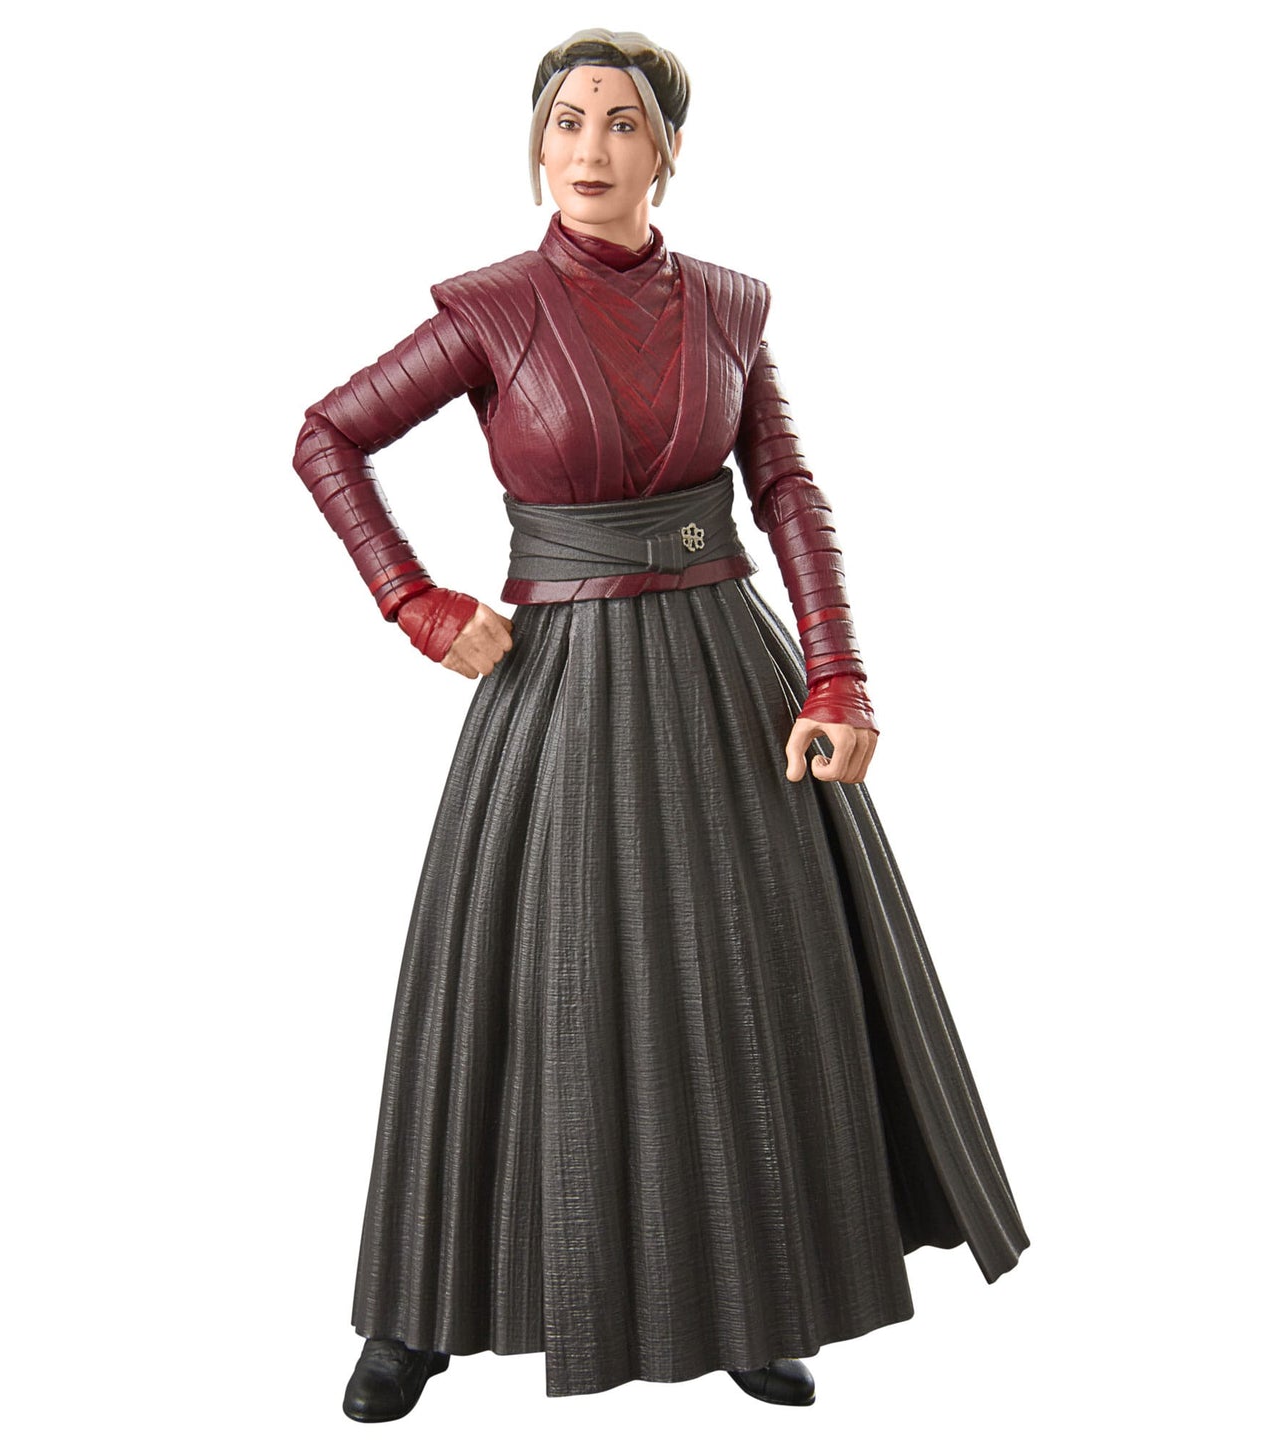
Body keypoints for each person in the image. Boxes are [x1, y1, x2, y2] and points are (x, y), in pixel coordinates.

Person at [291, 27, 1028, 1423]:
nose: (588, 148)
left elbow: (786, 491)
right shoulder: (489, 309)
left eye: (620, 123)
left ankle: (758, 1297)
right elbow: (327, 436)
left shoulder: (732, 307)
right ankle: (419, 1313)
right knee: (509, 988)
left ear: (668, 149)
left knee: (746, 982)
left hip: (723, 675)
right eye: (565, 120)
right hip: (556, 681)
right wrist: (415, 602)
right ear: (536, 143)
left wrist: (837, 677)